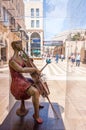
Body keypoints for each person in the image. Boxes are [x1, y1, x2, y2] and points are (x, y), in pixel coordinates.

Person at [9, 40, 43, 124]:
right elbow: (21, 69)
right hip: (17, 83)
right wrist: (34, 69)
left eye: (21, 43)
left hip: (22, 79)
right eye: (19, 44)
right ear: (15, 46)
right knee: (35, 92)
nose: (21, 45)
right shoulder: (12, 60)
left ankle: (36, 104)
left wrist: (29, 61)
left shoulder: (20, 58)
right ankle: (36, 115)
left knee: (36, 85)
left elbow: (25, 65)